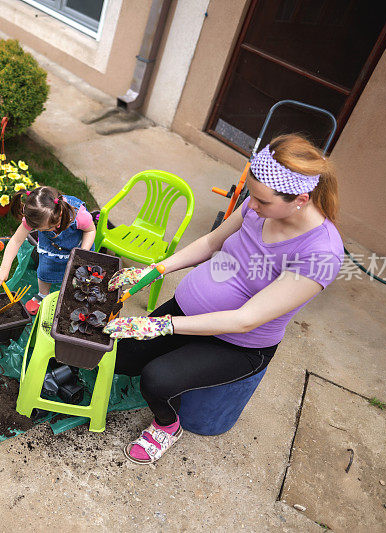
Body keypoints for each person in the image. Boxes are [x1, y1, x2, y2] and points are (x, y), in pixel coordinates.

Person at [103, 134, 343, 464]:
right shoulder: (259, 204)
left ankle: (167, 425)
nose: (252, 207)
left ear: (301, 199)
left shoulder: (320, 254)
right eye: (252, 197)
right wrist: (152, 271)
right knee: (124, 358)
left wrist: (160, 325)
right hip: (187, 312)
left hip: (238, 344)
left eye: (262, 202)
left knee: (156, 379)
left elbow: (246, 319)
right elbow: (210, 243)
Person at [0, 186, 96, 314]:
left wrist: (81, 252)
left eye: (52, 227)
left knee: (79, 275)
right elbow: (15, 241)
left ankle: (76, 297)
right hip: (51, 248)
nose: (52, 231)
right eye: (44, 230)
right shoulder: (34, 217)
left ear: (59, 214)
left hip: (77, 247)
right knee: (45, 271)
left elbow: (90, 230)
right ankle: (42, 295)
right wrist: (4, 268)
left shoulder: (79, 215)